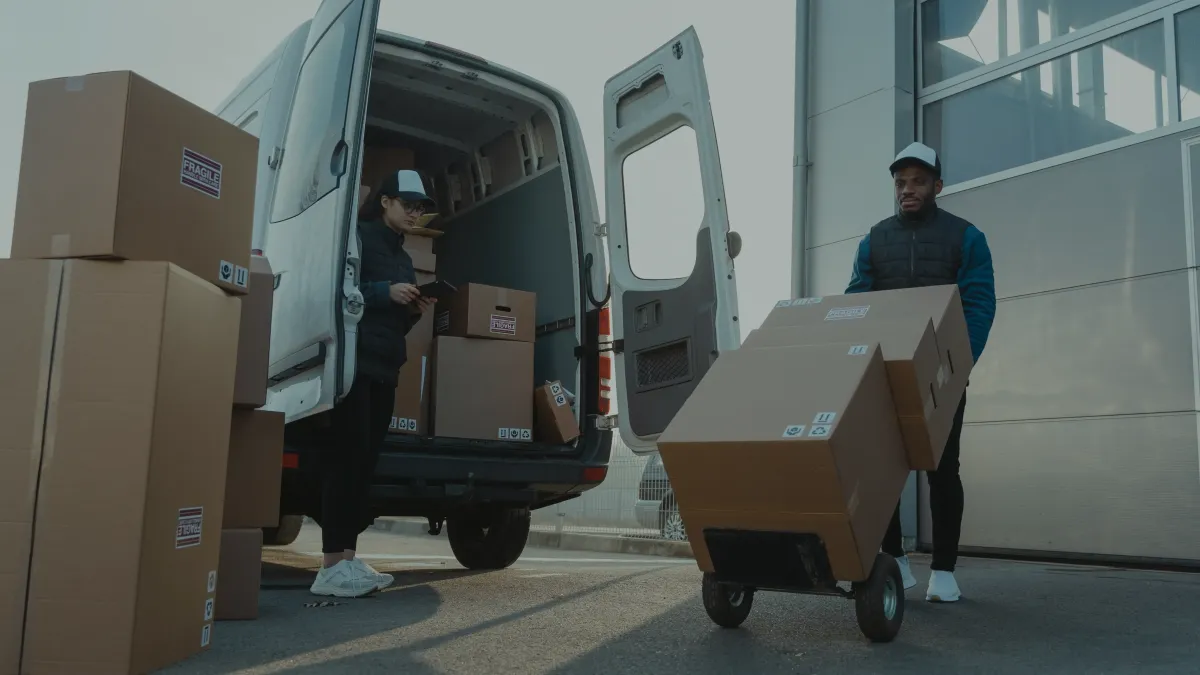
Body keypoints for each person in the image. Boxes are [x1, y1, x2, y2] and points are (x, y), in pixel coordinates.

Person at [845, 142, 996, 603]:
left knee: (941, 469)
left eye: (917, 182)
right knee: (883, 468)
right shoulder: (874, 240)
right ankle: (896, 560)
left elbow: (979, 303)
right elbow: (856, 301)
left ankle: (945, 572)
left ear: (937, 186)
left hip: (942, 377)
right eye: (900, 183)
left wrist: (958, 364)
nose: (907, 190)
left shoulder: (966, 237)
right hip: (884, 374)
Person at [310, 169, 438, 598]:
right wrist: (386, 292)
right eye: (408, 205)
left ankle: (347, 560)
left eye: (420, 209)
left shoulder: (404, 257)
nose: (415, 214)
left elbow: (394, 318)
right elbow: (336, 290)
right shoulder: (358, 238)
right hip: (354, 364)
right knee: (345, 460)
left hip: (386, 365)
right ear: (385, 201)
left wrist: (414, 307)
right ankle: (330, 566)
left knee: (364, 463)